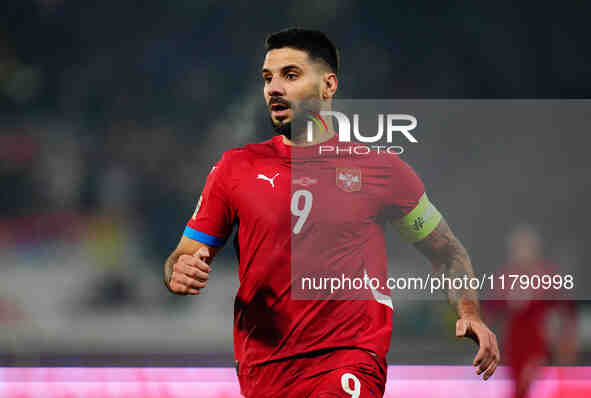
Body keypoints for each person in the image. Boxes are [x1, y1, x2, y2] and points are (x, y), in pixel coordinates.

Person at [163, 28, 499, 398]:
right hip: (263, 369)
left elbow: (447, 253)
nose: (274, 87)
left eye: (290, 75)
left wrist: (470, 313)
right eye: (267, 78)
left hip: (349, 359)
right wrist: (179, 270)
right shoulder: (235, 169)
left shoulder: (381, 170)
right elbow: (184, 255)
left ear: (328, 85)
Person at [487, 225, 578, 398]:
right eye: (518, 248)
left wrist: (565, 342)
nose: (522, 253)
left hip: (537, 343)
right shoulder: (505, 277)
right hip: (513, 344)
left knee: (529, 382)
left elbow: (565, 311)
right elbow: (493, 312)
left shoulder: (547, 275)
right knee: (518, 386)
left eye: (526, 247)